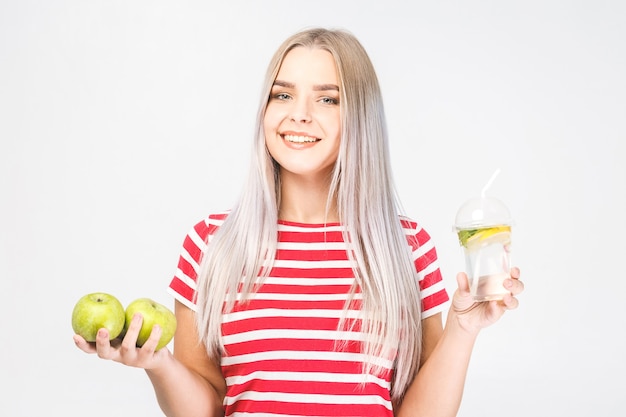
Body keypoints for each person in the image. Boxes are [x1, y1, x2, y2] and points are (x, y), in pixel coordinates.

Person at [74, 27, 524, 417]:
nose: (299, 114)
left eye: (327, 98)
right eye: (283, 94)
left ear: (360, 119)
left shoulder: (407, 248)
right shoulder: (210, 244)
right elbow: (207, 409)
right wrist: (159, 364)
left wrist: (464, 330)